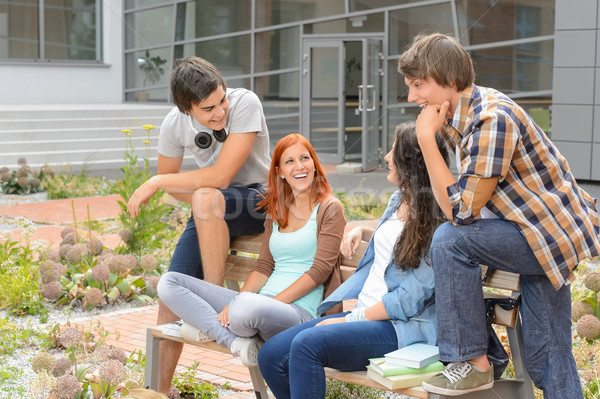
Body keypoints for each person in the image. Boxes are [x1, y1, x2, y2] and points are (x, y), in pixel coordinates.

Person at [398, 33, 600, 398]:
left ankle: (474, 363)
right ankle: (482, 358)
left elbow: (458, 212)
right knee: (549, 355)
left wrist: (426, 139)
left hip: (546, 235)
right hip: (529, 230)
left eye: (418, 85)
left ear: (448, 78)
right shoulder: (462, 114)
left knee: (449, 242)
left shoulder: (492, 119)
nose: (413, 97)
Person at [257, 122, 450, 399]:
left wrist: (350, 319)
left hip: (399, 326)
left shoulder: (439, 222)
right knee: (271, 355)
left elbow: (407, 301)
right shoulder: (399, 200)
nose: (385, 157)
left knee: (306, 346)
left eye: (393, 152)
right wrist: (363, 231)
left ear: (410, 162)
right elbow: (399, 240)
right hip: (363, 314)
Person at [126, 57, 271, 394]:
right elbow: (179, 191)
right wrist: (173, 185)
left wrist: (158, 181)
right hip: (209, 208)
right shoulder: (173, 125)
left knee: (206, 195)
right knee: (168, 291)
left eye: (221, 100)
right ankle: (159, 391)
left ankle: (213, 310)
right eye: (208, 109)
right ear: (187, 108)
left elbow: (219, 177)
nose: (220, 111)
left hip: (258, 200)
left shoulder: (245, 102)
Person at [157, 133, 346, 369]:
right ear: (278, 171)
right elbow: (264, 267)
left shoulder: (329, 208)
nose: (299, 167)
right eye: (289, 161)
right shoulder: (277, 209)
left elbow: (320, 271)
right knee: (169, 282)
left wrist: (264, 303)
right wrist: (237, 301)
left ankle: (210, 327)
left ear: (314, 164)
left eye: (305, 158)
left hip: (298, 312)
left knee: (245, 309)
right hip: (259, 304)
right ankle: (236, 342)